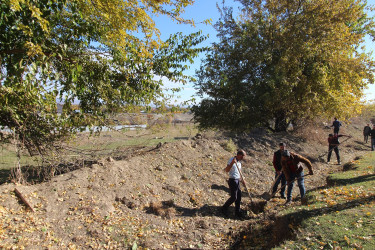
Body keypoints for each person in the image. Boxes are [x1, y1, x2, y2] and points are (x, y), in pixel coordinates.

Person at [221, 149, 247, 218]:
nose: (243, 158)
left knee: (239, 197)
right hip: (232, 180)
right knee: (234, 197)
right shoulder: (232, 160)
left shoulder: (239, 162)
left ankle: (237, 212)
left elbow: (239, 173)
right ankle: (224, 208)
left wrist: (242, 180)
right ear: (239, 155)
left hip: (237, 180)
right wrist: (232, 163)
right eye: (243, 156)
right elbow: (226, 170)